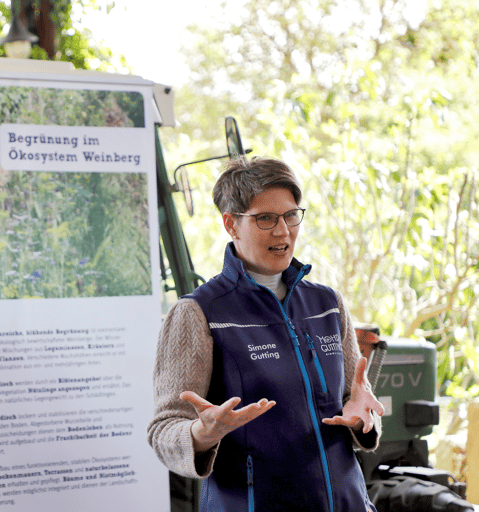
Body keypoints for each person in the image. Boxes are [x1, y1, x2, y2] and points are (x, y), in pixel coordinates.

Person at [147, 157, 385, 511]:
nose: (283, 231)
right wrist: (201, 434)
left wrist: (366, 420)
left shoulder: (328, 303)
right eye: (265, 219)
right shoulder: (199, 313)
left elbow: (356, 402)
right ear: (231, 224)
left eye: (291, 215)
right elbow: (164, 431)